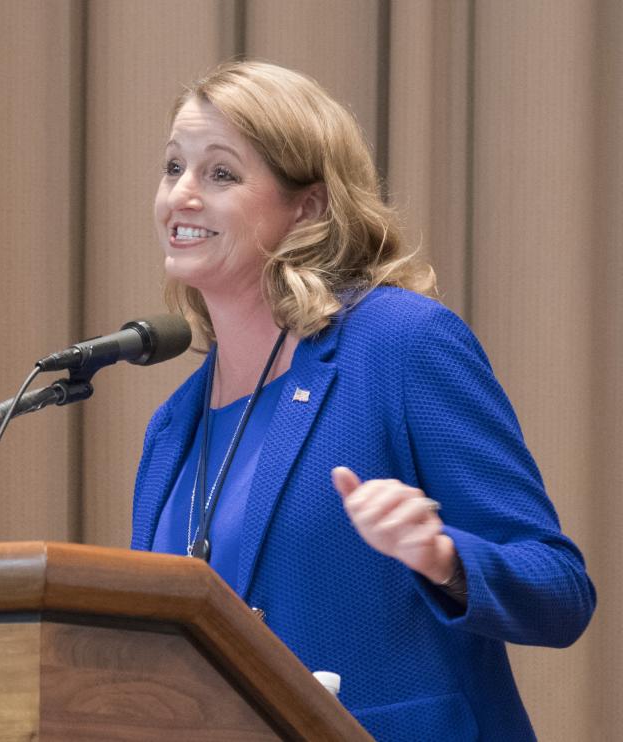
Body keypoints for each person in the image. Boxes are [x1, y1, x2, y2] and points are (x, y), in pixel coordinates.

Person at [131, 60, 595, 741]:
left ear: (309, 208)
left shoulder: (399, 344)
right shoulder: (172, 427)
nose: (182, 196)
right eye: (174, 168)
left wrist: (445, 557)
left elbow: (559, 591)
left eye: (221, 173)